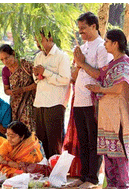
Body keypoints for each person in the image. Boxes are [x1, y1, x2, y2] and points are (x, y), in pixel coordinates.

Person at [67, 12, 113, 189]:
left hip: (94, 101)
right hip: (79, 100)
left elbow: (104, 76)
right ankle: (84, 175)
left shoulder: (102, 47)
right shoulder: (84, 46)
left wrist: (82, 63)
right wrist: (77, 66)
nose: (81, 32)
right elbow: (76, 74)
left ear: (94, 26)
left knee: (94, 141)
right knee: (83, 141)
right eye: (79, 29)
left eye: (83, 28)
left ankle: (92, 179)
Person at [84, 29, 129, 189]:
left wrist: (99, 90)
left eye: (107, 41)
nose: (104, 44)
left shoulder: (124, 63)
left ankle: (122, 185)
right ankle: (111, 185)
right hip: (107, 116)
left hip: (117, 116)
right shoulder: (111, 64)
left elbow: (119, 89)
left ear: (115, 43)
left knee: (119, 153)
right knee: (109, 153)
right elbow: (100, 78)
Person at [33, 29, 71, 159]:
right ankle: (43, 172)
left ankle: (55, 173)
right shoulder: (38, 56)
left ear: (50, 39)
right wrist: (37, 74)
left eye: (40, 40)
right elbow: (36, 80)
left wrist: (46, 72)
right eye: (36, 41)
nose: (38, 44)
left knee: (54, 142)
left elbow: (65, 80)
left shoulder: (62, 56)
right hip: (40, 103)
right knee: (41, 141)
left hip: (55, 102)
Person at [0, 44, 37, 131]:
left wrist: (23, 89)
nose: (5, 62)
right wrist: (12, 92)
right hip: (15, 104)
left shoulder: (26, 65)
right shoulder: (5, 70)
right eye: (2, 60)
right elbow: (6, 90)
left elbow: (37, 83)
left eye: (7, 58)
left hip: (30, 101)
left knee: (31, 127)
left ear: (13, 54)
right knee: (17, 130)